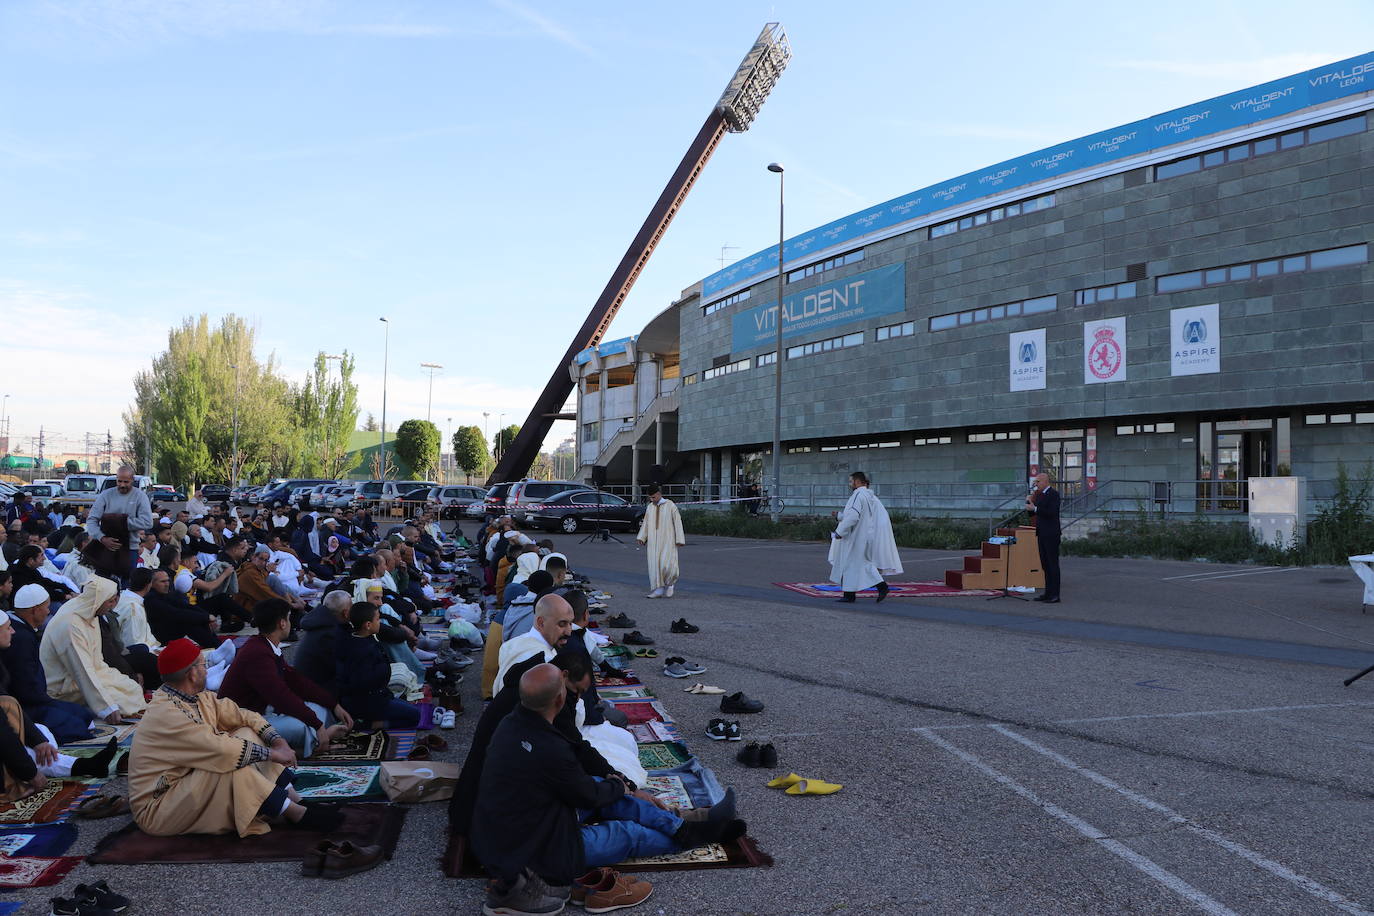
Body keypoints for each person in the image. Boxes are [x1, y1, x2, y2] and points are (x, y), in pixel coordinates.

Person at [473, 663, 744, 913]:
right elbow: (587, 795)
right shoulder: (550, 747)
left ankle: (683, 827)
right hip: (535, 851)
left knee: (607, 787)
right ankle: (693, 836)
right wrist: (619, 787)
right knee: (624, 832)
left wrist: (616, 785)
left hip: (517, 828)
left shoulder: (510, 724)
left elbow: (583, 783)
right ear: (559, 699)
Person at [127, 638, 340, 838]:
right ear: (192, 674)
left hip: (187, 782)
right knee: (232, 765)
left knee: (246, 733)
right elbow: (219, 750)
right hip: (159, 806)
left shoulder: (196, 697)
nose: (206, 670)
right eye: (203, 665)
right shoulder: (167, 714)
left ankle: (294, 799)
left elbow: (243, 715)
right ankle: (293, 813)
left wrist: (277, 740)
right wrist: (273, 753)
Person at [0, 615, 117, 798]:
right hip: (27, 709)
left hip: (27, 709)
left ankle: (87, 766)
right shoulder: (22, 641)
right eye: (7, 628)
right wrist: (30, 774)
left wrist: (38, 740)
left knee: (42, 733)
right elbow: (3, 731)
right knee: (28, 750)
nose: (13, 631)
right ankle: (86, 766)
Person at [218, 600, 352, 758]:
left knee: (319, 707)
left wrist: (334, 704)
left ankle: (315, 739)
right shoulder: (257, 653)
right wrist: (317, 725)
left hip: (263, 713)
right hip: (242, 723)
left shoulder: (266, 646)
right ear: (282, 623)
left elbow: (296, 681)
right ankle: (314, 745)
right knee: (302, 725)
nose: (290, 623)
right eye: (288, 618)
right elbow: (280, 696)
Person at [39, 577, 147, 721]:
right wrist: (105, 707)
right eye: (110, 601)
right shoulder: (71, 624)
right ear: (99, 600)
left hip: (91, 672)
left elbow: (96, 660)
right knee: (119, 701)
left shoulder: (90, 611)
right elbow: (81, 670)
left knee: (132, 688)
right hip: (65, 685)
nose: (114, 605)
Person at [3, 584, 94, 743]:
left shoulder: (19, 629)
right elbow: (24, 684)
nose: (48, 611)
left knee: (84, 715)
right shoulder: (20, 637)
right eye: (46, 607)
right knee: (78, 728)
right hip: (27, 706)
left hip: (36, 699)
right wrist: (46, 702)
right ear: (35, 610)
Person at [334, 602, 420, 731]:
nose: (379, 622)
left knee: (406, 706)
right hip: (365, 702)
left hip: (374, 695)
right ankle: (365, 725)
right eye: (378, 619)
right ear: (368, 625)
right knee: (414, 716)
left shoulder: (357, 638)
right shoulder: (361, 651)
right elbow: (363, 684)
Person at [827, 471, 902, 603]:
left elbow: (853, 517)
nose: (850, 484)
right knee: (862, 564)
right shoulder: (869, 497)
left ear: (857, 482)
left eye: (851, 481)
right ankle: (854, 593)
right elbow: (859, 516)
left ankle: (854, 594)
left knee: (850, 564)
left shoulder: (857, 495)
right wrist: (839, 515)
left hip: (855, 537)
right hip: (865, 536)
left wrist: (839, 532)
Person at [85, 466, 153, 575]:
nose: (122, 485)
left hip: (130, 548)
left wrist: (121, 523)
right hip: (105, 547)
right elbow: (92, 520)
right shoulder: (106, 495)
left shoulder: (140, 496)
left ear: (133, 480)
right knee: (103, 583)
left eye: (126, 482)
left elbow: (147, 521)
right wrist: (102, 538)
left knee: (126, 583)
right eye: (119, 481)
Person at [143, 564, 218, 648]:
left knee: (197, 617)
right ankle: (215, 647)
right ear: (151, 584)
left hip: (171, 626)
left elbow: (186, 606)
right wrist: (205, 617)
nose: (167, 584)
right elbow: (176, 614)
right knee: (189, 622)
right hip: (161, 635)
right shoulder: (151, 599)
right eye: (163, 581)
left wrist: (207, 617)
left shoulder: (166, 594)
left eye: (168, 581)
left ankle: (216, 646)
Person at [294, 590, 352, 695]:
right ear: (345, 613)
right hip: (316, 692)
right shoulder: (329, 635)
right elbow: (345, 670)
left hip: (311, 685)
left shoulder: (322, 623)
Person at [636, 484, 685, 599]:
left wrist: (679, 539)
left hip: (668, 541)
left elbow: (677, 522)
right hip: (653, 542)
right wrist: (642, 537)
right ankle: (658, 590)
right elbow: (646, 523)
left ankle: (671, 584)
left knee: (667, 565)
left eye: (653, 497)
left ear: (659, 494)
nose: (651, 500)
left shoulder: (670, 505)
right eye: (650, 498)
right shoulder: (650, 507)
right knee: (654, 566)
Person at [1027, 472, 1062, 603]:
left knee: (1053, 564)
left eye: (1038, 482)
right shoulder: (1040, 495)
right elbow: (1033, 515)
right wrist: (1029, 503)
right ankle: (1047, 593)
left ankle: (1055, 595)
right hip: (1041, 533)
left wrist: (1035, 508)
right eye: (1035, 482)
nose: (1036, 484)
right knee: (1045, 564)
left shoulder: (1054, 494)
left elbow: (1051, 512)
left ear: (1045, 481)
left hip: (1051, 534)